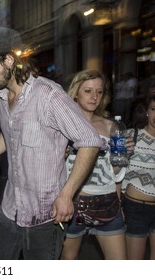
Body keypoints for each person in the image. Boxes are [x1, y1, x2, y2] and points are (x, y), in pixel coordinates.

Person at [0, 27, 104, 260]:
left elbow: (89, 140)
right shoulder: (1, 97)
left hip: (45, 216)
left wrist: (66, 194)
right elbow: (10, 136)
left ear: (9, 60)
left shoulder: (48, 95)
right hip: (10, 208)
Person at [61, 69, 128, 260]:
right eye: (88, 91)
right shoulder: (63, 126)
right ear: (75, 92)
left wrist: (122, 155)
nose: (94, 97)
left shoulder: (110, 126)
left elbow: (115, 172)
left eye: (99, 92)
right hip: (72, 204)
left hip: (106, 202)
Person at [121, 95, 155, 259]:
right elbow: (116, 172)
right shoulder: (130, 135)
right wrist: (117, 204)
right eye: (154, 109)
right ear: (147, 111)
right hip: (135, 208)